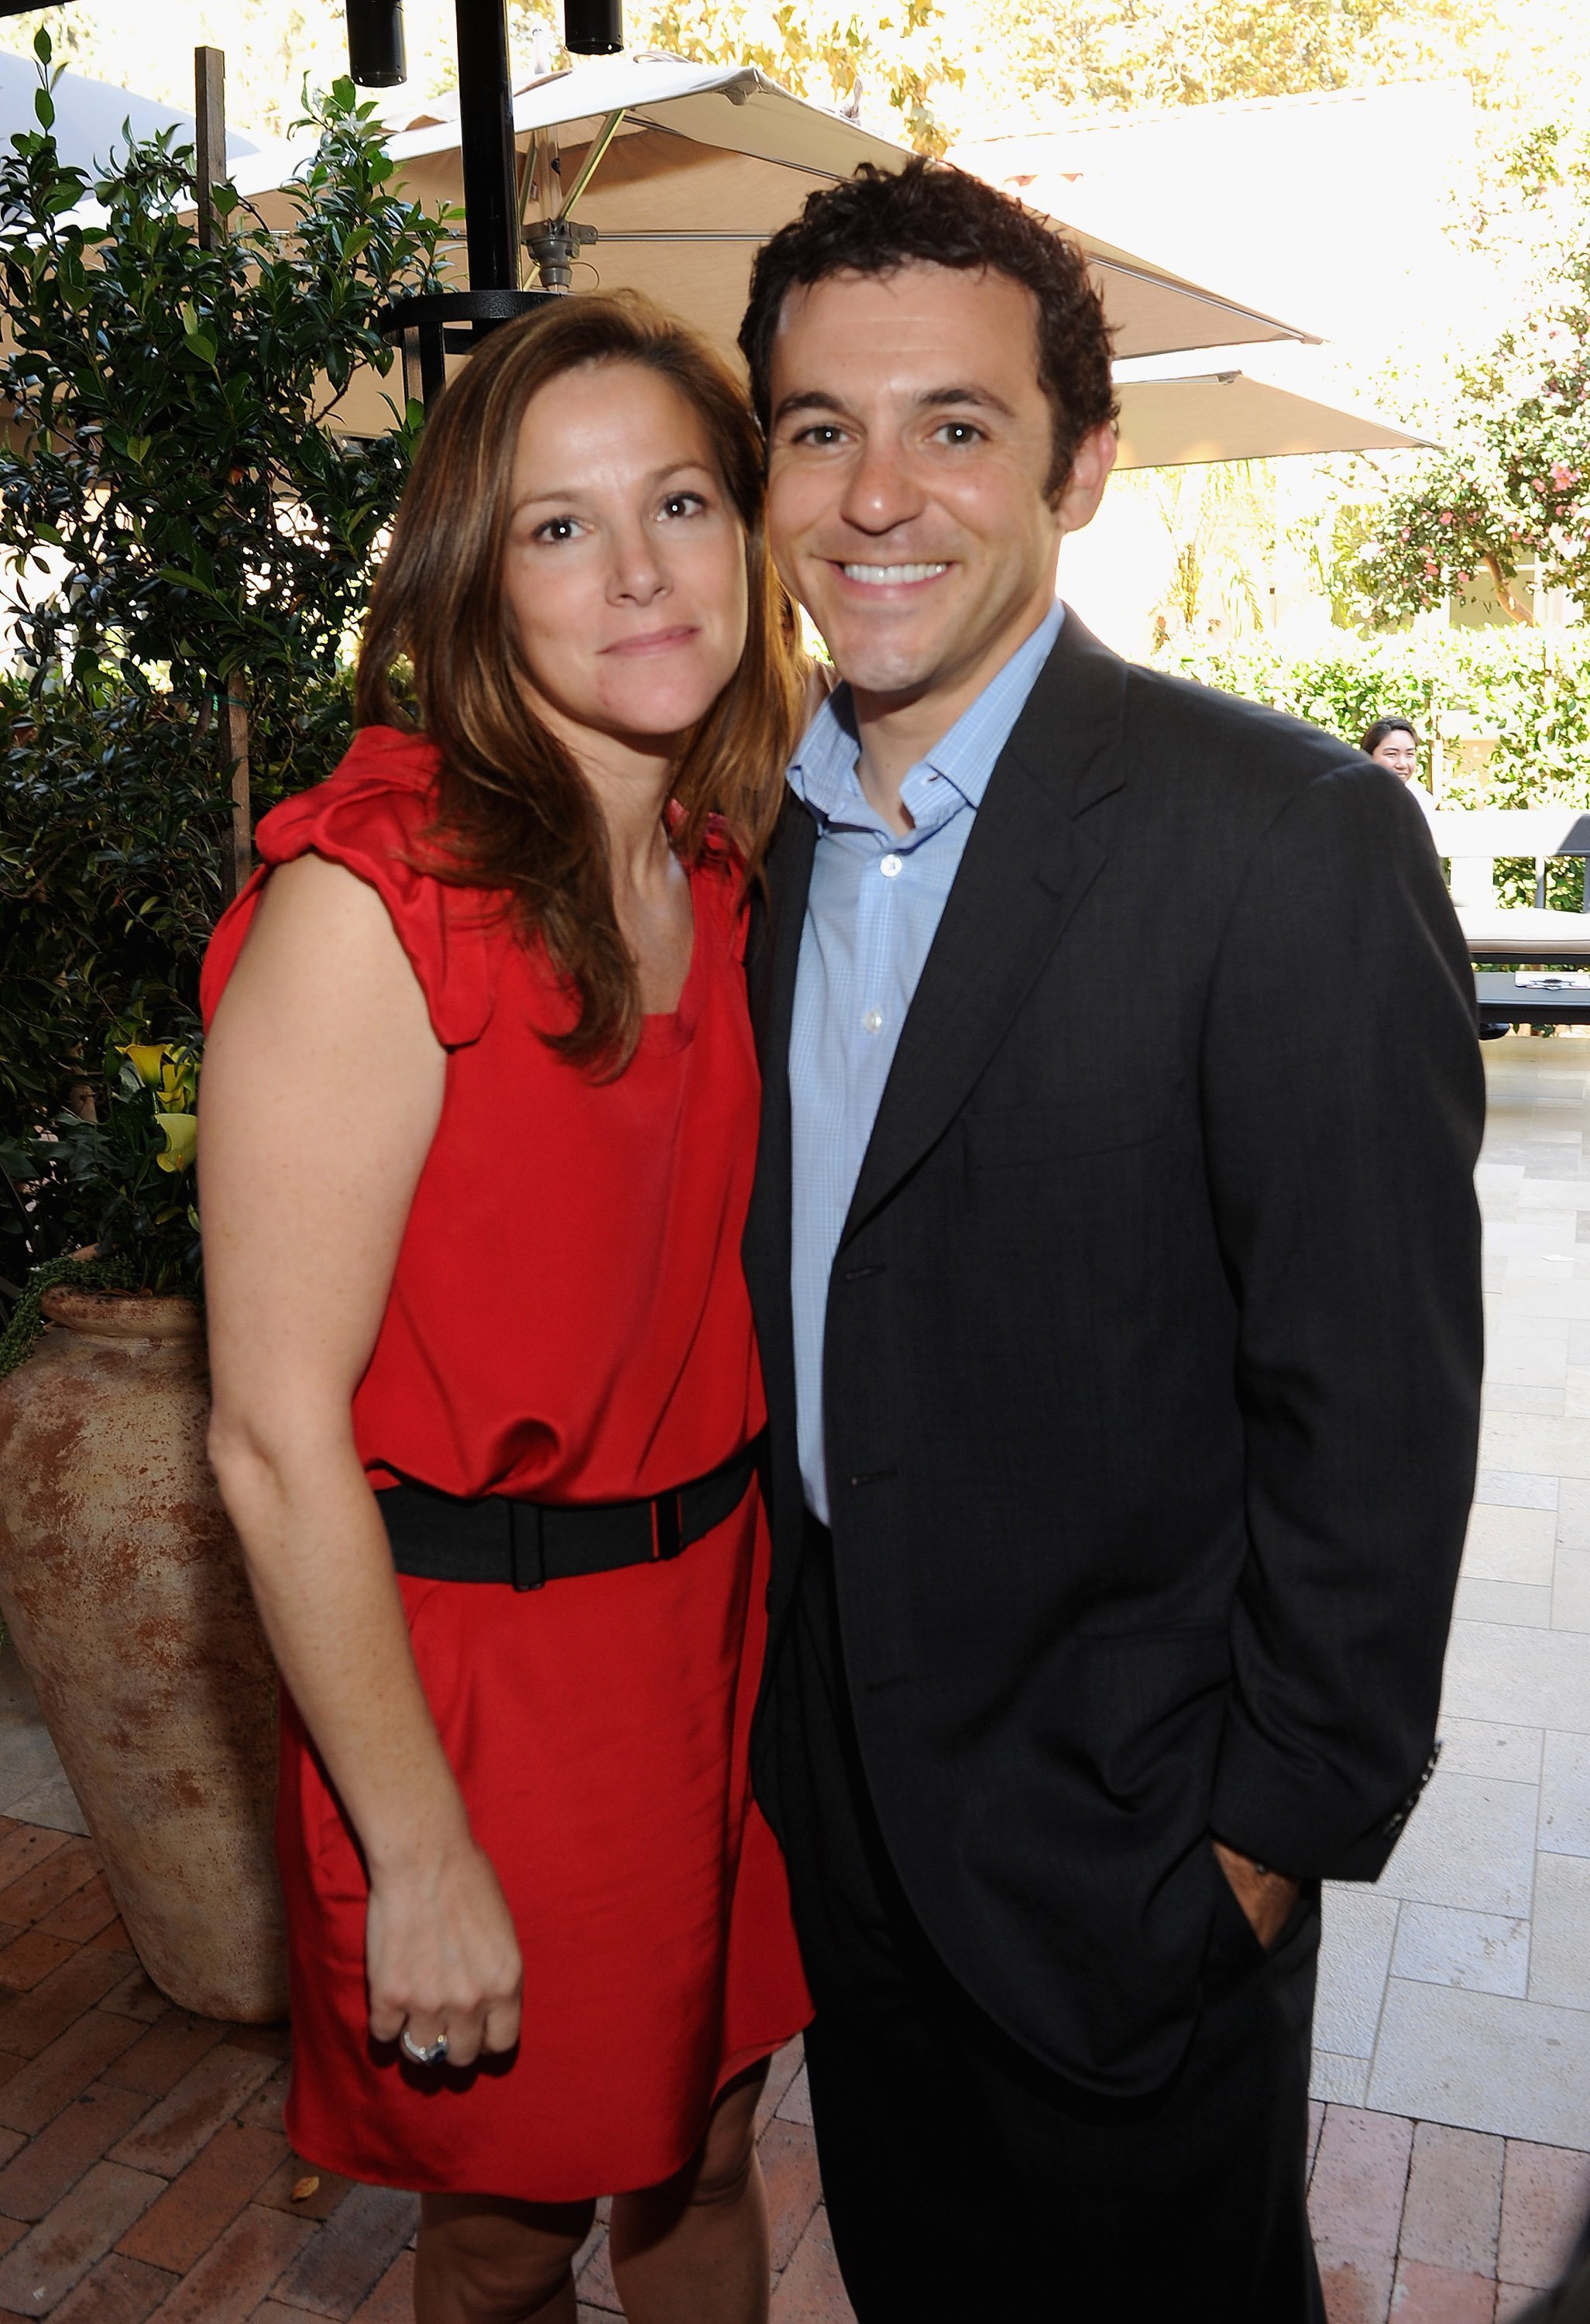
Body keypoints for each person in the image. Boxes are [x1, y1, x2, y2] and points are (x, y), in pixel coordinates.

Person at [736, 159, 1485, 2321]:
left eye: (952, 427)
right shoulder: (737, 843)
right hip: (846, 1833)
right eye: (815, 429)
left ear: (1078, 463)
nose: (878, 496)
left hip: (1133, 1852)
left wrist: (1255, 1850)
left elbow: (1371, 1409)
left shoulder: (1280, 844)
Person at [198, 293, 809, 2324]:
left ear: (749, 534)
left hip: (709, 1639)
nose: (636, 571)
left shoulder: (719, 862)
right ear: (475, 581)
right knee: (500, 2232)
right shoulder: (369, 908)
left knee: (714, 2144)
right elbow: (271, 1436)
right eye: (557, 529)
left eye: (677, 503)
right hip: (480, 1686)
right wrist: (419, 1848)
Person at [1361, 714, 1439, 821]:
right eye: (1392, 754)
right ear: (1368, 756)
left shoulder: (1421, 800)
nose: (1402, 764)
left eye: (1410, 754)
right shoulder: (1352, 799)